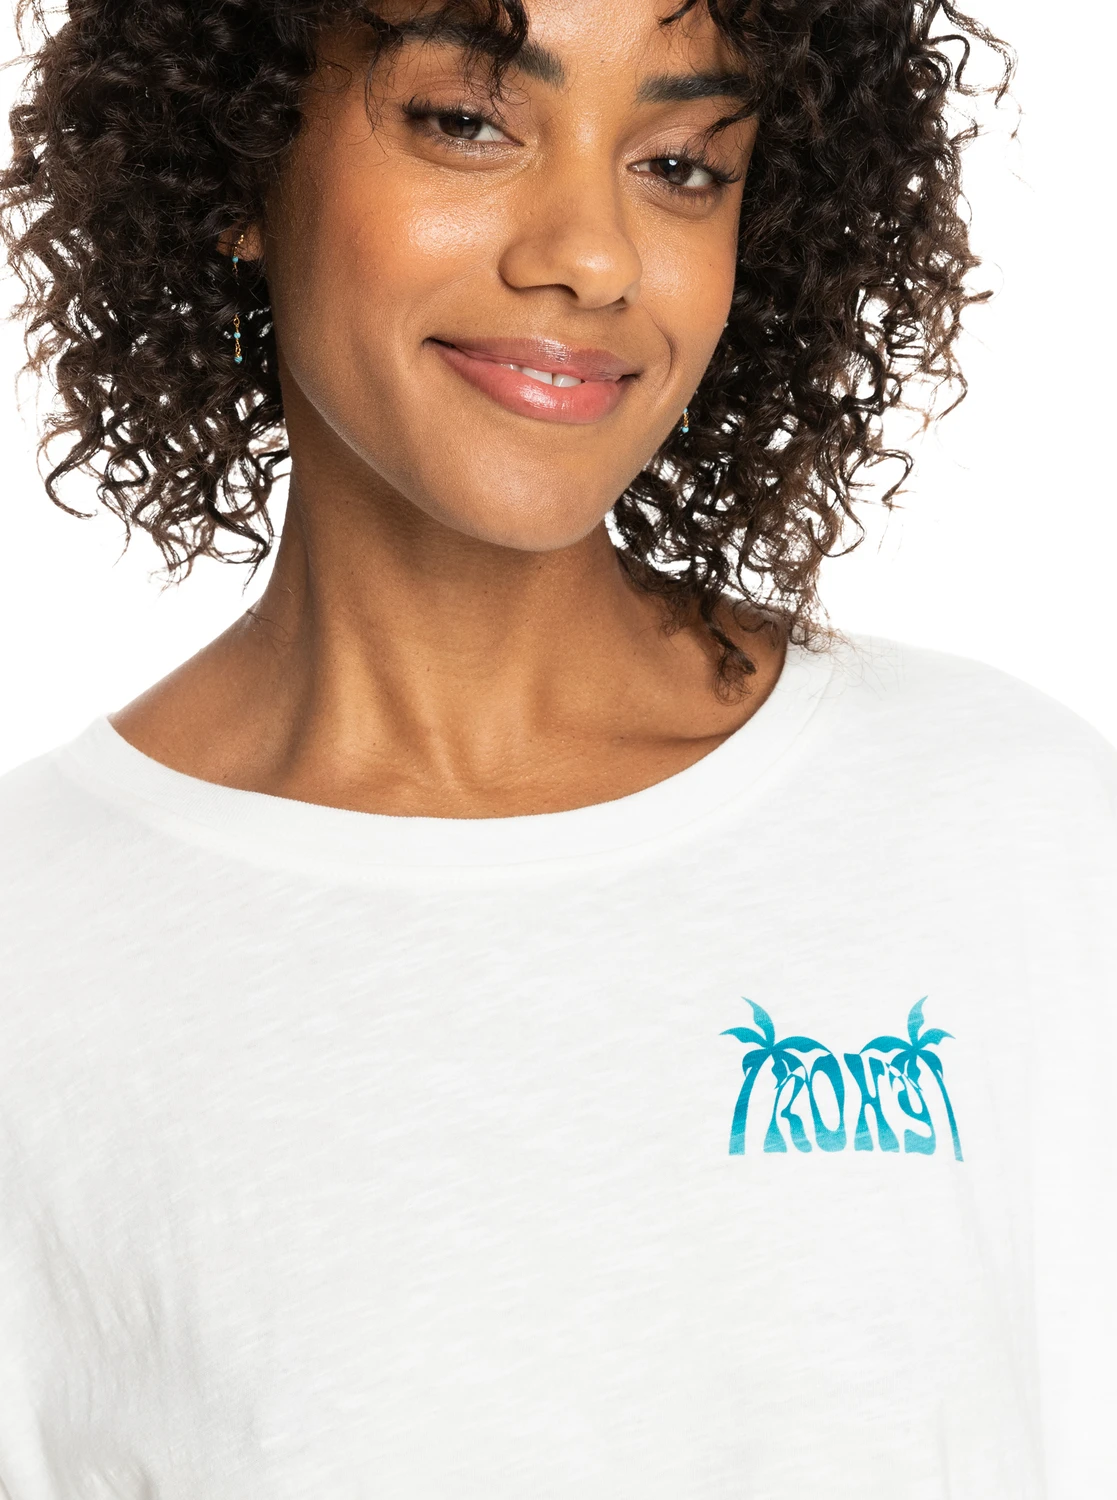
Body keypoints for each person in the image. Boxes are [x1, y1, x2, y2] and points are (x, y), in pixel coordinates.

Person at [0, 1, 1112, 1496]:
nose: (592, 255)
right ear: (231, 158)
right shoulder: (34, 948)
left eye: (680, 164)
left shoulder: (1012, 827)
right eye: (468, 122)